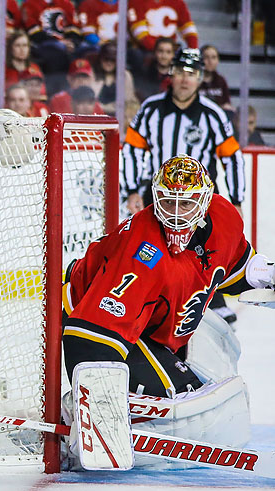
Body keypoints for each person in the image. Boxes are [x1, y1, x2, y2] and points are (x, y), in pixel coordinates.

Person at [64, 154, 273, 398]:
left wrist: (266, 272)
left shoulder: (222, 216)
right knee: (182, 393)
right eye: (167, 202)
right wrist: (99, 409)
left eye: (185, 203)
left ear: (205, 202)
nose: (175, 214)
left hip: (144, 326)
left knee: (209, 378)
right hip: (86, 312)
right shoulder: (143, 252)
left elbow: (229, 268)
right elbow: (90, 340)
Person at [122, 48, 245, 217]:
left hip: (201, 201)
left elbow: (232, 157)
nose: (185, 79)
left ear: (200, 78)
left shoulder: (213, 114)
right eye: (180, 71)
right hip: (158, 198)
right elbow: (132, 150)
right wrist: (132, 190)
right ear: (171, 74)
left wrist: (236, 201)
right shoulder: (150, 109)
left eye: (192, 73)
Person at [199, 44, 232, 112]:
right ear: (200, 60)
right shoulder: (195, 80)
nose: (210, 61)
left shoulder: (221, 80)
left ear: (218, 60)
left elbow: (227, 104)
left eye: (213, 57)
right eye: (206, 57)